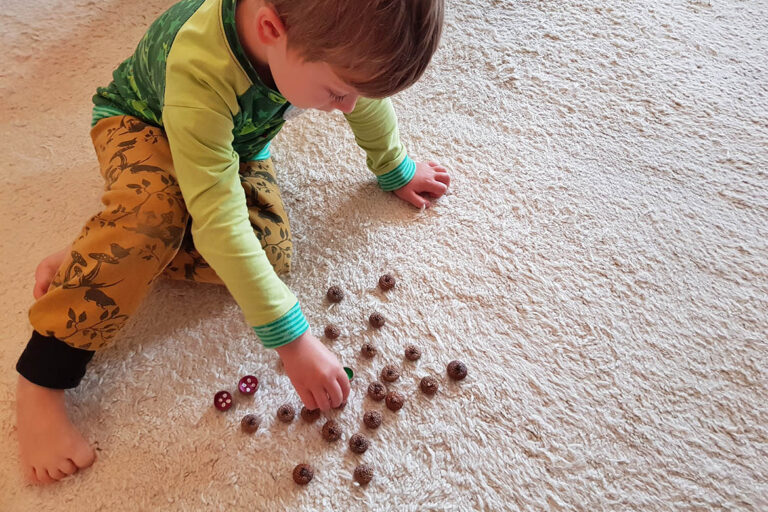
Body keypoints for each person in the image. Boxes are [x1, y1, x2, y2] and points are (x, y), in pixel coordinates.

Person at [14, 0, 449, 485]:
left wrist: (393, 166)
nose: (346, 108)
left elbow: (365, 96)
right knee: (154, 219)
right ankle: (40, 379)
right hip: (143, 124)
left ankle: (103, 254)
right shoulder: (201, 67)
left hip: (231, 142)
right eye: (336, 94)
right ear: (270, 29)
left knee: (269, 252)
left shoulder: (317, 43)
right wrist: (293, 339)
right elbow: (218, 220)